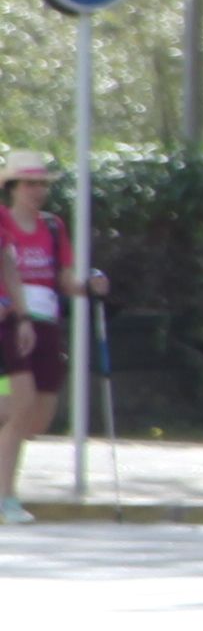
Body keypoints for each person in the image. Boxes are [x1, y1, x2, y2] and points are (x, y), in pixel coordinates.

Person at [0, 153, 98, 518]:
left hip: (45, 324)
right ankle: (6, 497)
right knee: (19, 407)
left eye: (42, 184)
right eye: (30, 183)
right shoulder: (2, 221)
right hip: (9, 324)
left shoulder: (54, 227)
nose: (38, 191)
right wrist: (17, 311)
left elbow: (64, 278)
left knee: (36, 418)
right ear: (12, 187)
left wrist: (88, 286)